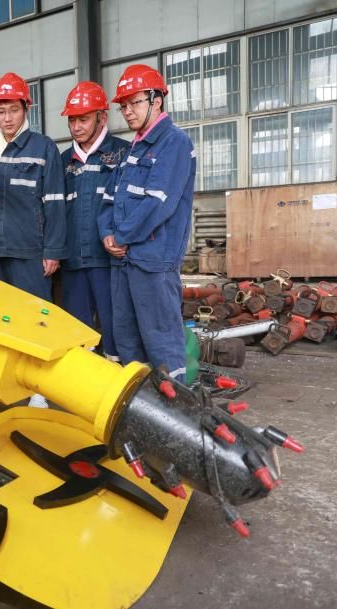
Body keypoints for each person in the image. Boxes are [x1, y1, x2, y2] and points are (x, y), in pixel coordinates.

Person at [99, 64, 196, 382]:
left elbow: (158, 202)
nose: (127, 111)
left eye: (134, 102)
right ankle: (142, 406)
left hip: (153, 261)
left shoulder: (174, 142)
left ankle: (175, 403)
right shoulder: (133, 149)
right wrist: (107, 233)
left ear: (157, 100)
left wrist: (122, 236)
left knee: (161, 340)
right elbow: (109, 198)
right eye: (123, 105)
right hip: (123, 261)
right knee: (128, 340)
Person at [0, 72, 66, 408]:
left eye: (13, 110)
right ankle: (9, 386)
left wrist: (53, 250)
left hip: (30, 251)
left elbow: (55, 202)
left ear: (26, 108)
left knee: (37, 321)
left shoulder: (44, 148)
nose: (7, 118)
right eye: (1, 111)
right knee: (1, 322)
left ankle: (41, 389)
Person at [60, 82, 130, 361]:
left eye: (83, 119)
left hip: (109, 262)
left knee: (117, 330)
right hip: (72, 262)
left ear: (102, 117)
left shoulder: (124, 154)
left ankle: (117, 374)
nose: (76, 127)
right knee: (78, 335)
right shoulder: (63, 161)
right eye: (72, 120)